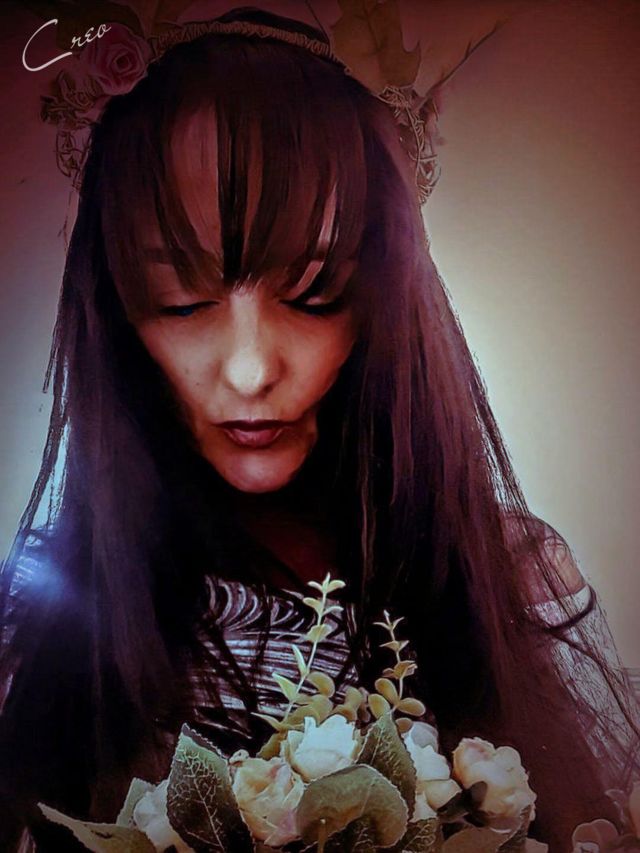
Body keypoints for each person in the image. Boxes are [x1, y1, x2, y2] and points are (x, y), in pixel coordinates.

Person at [1, 6, 638, 851]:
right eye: (180, 300)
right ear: (118, 311)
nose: (249, 370)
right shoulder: (44, 611)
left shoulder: (512, 580)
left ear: (383, 299)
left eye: (312, 292)